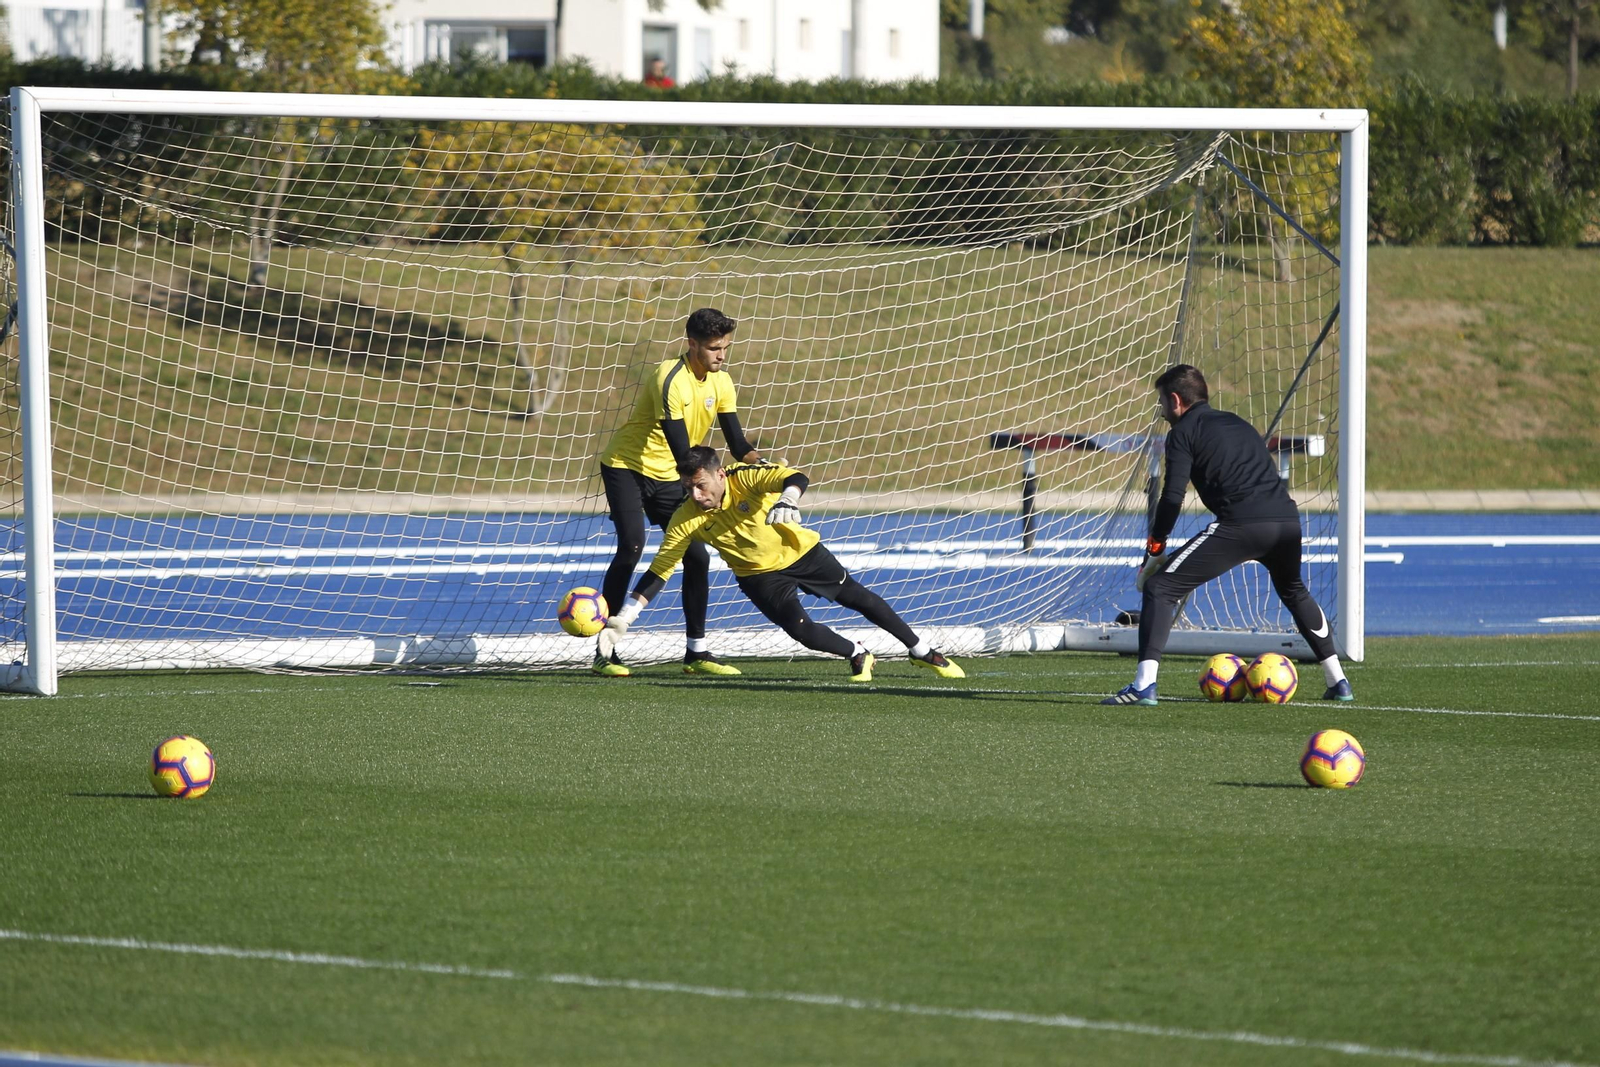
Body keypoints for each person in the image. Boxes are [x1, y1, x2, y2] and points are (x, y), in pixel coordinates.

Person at [597, 447, 966, 683]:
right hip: (757, 576)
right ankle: (858, 654)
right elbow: (660, 570)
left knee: (858, 598)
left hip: (799, 552)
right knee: (801, 630)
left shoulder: (746, 477)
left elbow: (795, 477)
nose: (696, 495)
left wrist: (789, 498)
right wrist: (623, 620)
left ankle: (922, 652)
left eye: (700, 485)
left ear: (720, 475)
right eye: (689, 488)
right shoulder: (685, 516)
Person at [1102, 363, 1354, 706]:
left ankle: (1143, 686)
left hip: (1241, 525)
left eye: (1162, 403)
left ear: (1175, 400)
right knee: (1294, 591)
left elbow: (1172, 497)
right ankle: (1338, 681)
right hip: (1287, 521)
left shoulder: (1182, 433)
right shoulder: (1238, 423)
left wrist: (1155, 546)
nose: (1161, 411)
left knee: (1160, 588)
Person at [595, 308, 759, 678]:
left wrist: (762, 466)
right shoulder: (668, 378)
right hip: (628, 468)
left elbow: (736, 441)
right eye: (715, 348)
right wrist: (704, 490)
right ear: (692, 344)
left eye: (726, 347)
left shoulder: (722, 382)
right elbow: (681, 448)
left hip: (674, 472)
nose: (722, 355)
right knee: (632, 546)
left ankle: (696, 653)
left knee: (697, 557)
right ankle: (604, 650)